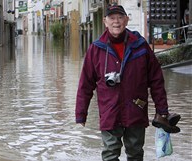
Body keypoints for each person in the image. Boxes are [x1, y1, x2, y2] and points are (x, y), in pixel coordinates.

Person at [75, 4, 180, 161]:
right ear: (105, 21)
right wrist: (81, 114)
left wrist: (162, 110)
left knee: (136, 153)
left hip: (135, 110)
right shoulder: (95, 49)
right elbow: (85, 84)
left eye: (120, 17)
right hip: (109, 112)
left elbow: (156, 80)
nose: (116, 22)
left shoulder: (140, 45)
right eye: (112, 18)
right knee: (110, 154)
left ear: (127, 20)